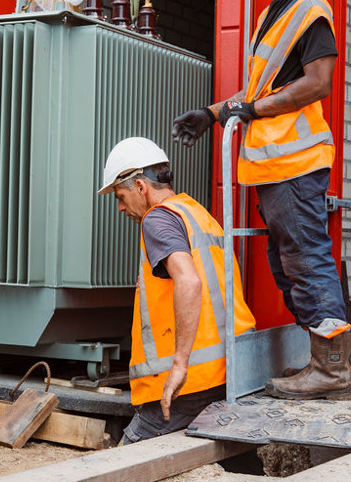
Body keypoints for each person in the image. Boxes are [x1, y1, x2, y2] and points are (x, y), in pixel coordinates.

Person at [171, 0, 351, 401]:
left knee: (308, 262)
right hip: (274, 168)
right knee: (287, 263)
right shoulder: (273, 13)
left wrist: (245, 111)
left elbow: (317, 84)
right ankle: (322, 360)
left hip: (294, 165)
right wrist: (212, 114)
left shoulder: (309, 12)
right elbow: (260, 89)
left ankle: (333, 370)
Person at [98, 137, 255, 444]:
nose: (120, 207)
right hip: (228, 371)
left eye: (120, 195)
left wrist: (180, 364)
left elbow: (189, 281)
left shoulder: (157, 219)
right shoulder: (197, 213)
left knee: (124, 463)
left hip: (189, 383)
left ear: (141, 188)